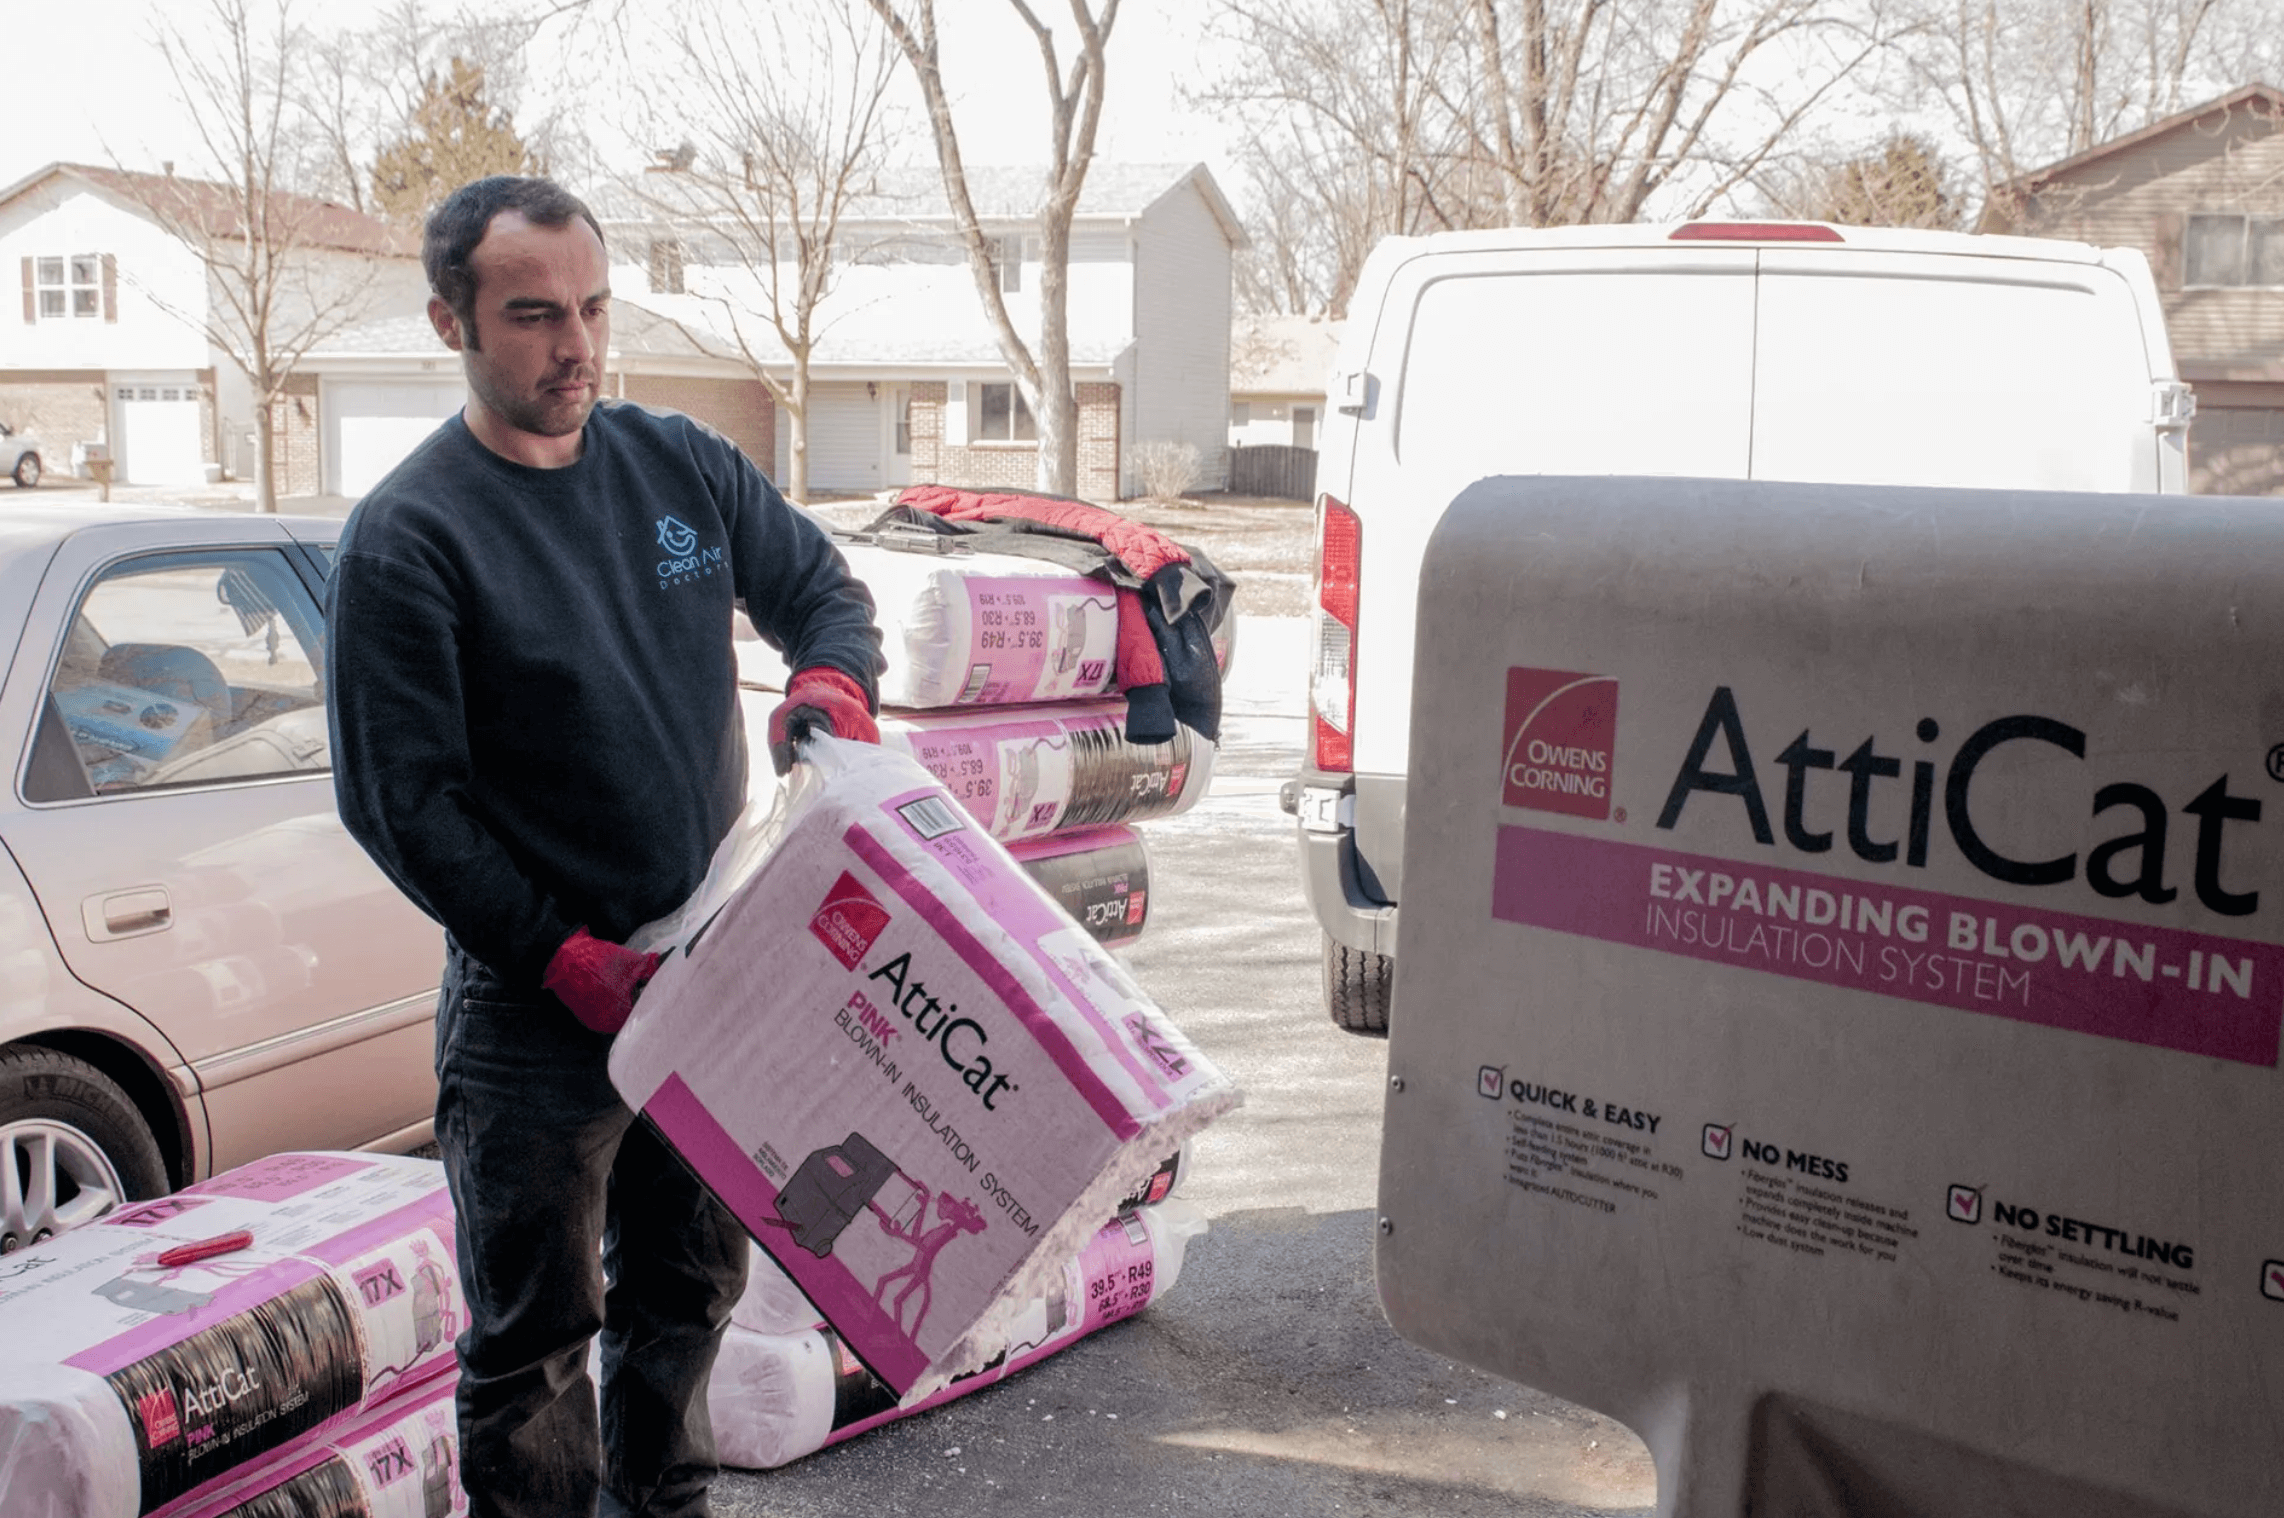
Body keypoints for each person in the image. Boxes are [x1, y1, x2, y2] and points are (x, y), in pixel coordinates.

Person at [325, 174, 884, 1518]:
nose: (573, 345)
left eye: (590, 308)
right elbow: (403, 802)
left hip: (709, 967)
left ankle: (666, 1501)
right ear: (449, 322)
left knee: (689, 1283)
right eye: (530, 316)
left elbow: (819, 588)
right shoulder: (411, 538)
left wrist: (833, 687)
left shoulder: (676, 462)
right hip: (536, 1018)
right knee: (532, 1337)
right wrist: (557, 953)